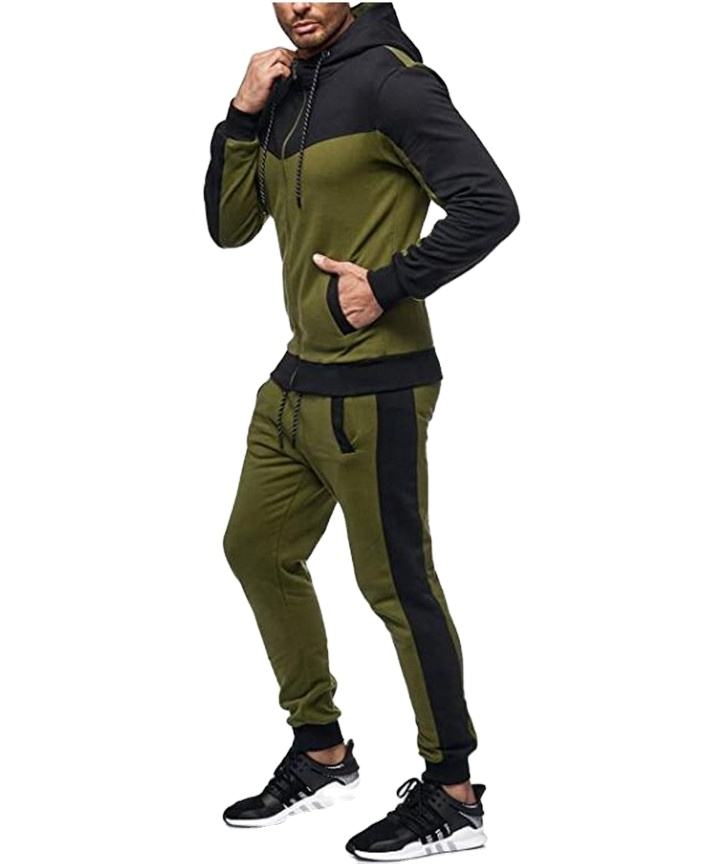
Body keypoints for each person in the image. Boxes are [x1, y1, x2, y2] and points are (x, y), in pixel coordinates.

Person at [203, 2, 519, 858]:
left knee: (398, 586)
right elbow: (229, 228)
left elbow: (491, 205)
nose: (298, 5)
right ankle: (321, 749)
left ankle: (454, 792)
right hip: (296, 381)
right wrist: (241, 116)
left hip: (378, 385)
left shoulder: (394, 83)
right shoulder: (287, 88)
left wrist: (386, 284)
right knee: (255, 549)